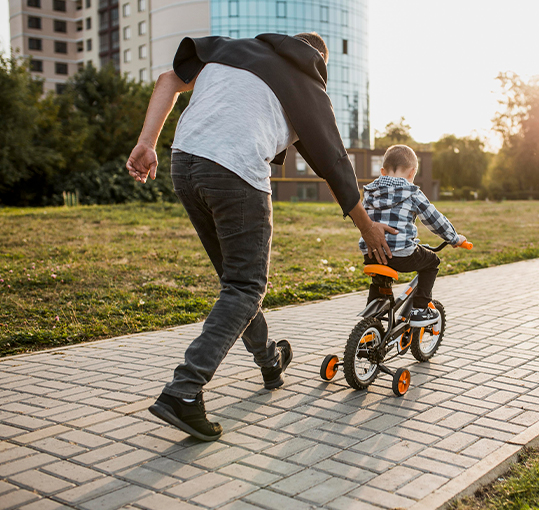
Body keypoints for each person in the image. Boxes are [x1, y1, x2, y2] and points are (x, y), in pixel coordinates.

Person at [126, 32, 397, 442]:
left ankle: (270, 361)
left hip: (184, 162)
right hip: (234, 171)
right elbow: (336, 165)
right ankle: (184, 390)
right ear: (318, 62)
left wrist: (147, 143)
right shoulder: (307, 85)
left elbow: (168, 79)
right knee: (246, 287)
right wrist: (367, 226)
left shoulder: (233, 50)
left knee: (236, 283)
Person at [360, 145, 466, 326]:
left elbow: (362, 219)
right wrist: (454, 238)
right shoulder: (411, 192)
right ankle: (420, 309)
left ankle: (371, 322)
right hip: (401, 254)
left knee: (380, 282)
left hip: (371, 253)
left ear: (382, 171)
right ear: (412, 172)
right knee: (432, 262)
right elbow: (434, 219)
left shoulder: (370, 191)